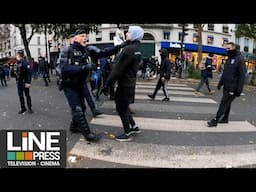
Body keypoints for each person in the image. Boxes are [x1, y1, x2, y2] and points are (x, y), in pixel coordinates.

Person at [58, 29, 126, 141]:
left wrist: (119, 46)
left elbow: (103, 53)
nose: (85, 38)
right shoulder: (67, 50)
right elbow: (64, 69)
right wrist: (83, 68)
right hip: (68, 84)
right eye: (82, 36)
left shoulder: (88, 49)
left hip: (80, 83)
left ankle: (74, 126)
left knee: (83, 108)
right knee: (78, 109)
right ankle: (88, 135)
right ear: (75, 38)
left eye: (86, 36)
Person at [103, 25, 144, 142]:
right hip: (130, 82)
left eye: (129, 33)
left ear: (134, 35)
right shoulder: (136, 49)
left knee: (120, 107)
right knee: (125, 106)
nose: (126, 34)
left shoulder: (128, 50)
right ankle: (134, 127)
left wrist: (107, 83)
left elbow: (117, 69)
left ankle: (127, 133)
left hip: (124, 83)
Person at [208, 42, 246, 127]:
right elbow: (225, 73)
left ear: (233, 48)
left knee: (224, 102)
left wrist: (239, 90)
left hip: (233, 87)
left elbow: (242, 76)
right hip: (226, 85)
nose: (227, 50)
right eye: (226, 49)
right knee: (227, 103)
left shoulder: (240, 59)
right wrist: (220, 83)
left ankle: (215, 120)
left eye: (228, 48)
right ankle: (225, 118)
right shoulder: (229, 59)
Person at [14, 50, 33, 114]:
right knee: (20, 95)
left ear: (19, 55)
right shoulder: (17, 63)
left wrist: (28, 82)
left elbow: (29, 73)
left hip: (25, 82)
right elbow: (16, 72)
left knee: (27, 95)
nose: (16, 56)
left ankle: (29, 108)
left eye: (16, 55)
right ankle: (23, 108)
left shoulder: (25, 62)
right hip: (19, 82)